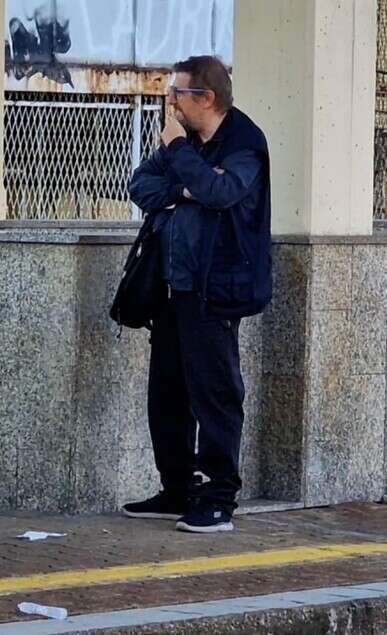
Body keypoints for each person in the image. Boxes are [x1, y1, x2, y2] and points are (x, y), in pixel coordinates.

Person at [124, 55, 272, 532]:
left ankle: (217, 498)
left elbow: (219, 193)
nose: (170, 102)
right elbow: (141, 185)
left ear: (205, 99)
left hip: (216, 290)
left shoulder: (244, 143)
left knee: (215, 394)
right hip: (172, 286)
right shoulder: (182, 143)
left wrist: (186, 172)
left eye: (178, 94)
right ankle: (177, 489)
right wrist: (186, 186)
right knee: (166, 394)